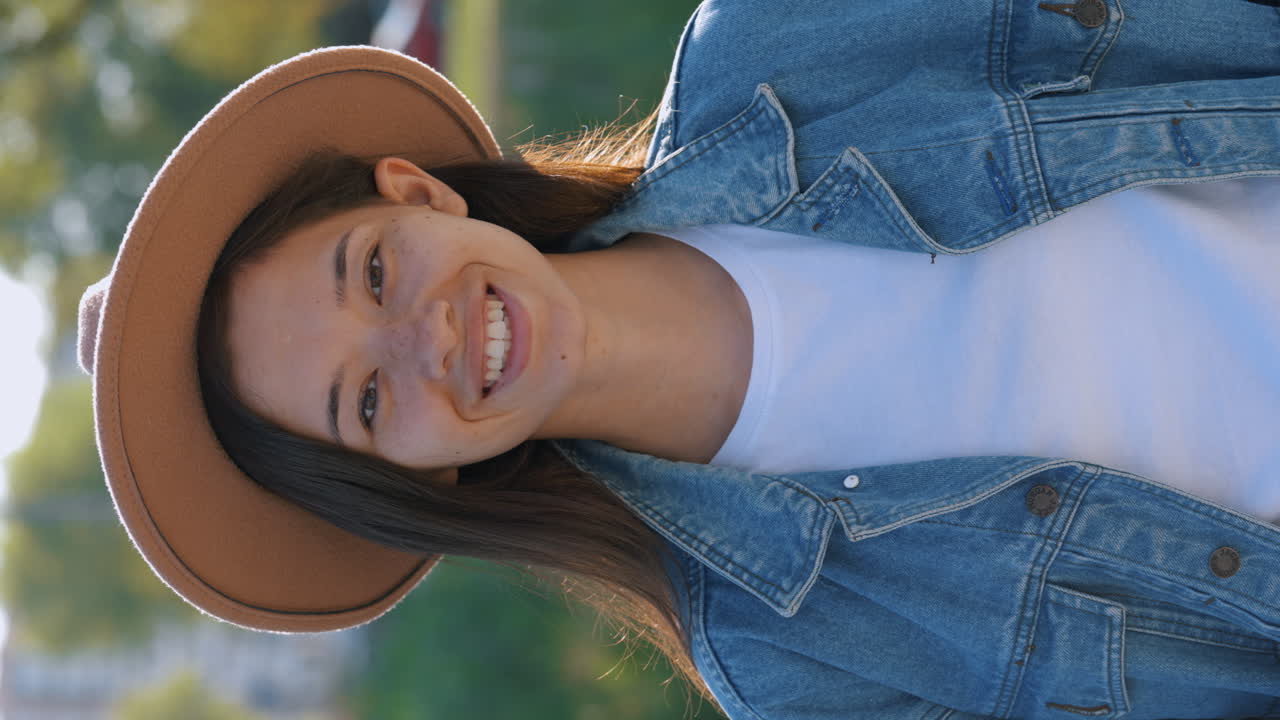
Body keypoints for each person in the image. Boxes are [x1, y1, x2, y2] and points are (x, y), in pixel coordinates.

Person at [75, 1, 1280, 718]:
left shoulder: (784, 42)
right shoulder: (784, 657)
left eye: (374, 273)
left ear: (415, 191)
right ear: (417, 479)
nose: (424, 338)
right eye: (369, 400)